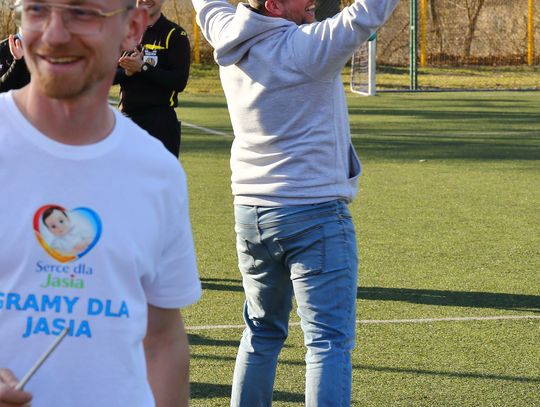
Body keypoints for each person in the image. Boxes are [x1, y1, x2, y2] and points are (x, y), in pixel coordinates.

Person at [192, 0, 399, 405]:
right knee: (327, 341)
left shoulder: (225, 33)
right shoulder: (306, 47)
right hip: (313, 213)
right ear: (274, 6)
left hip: (251, 215)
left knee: (261, 331)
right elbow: (367, 12)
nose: (312, 1)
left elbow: (206, 4)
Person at [0, 1, 201, 406]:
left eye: (82, 13)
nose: (55, 34)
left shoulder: (157, 170)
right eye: (37, 10)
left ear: (133, 28)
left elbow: (162, 340)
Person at [114, 0, 191, 157]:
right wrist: (127, 72)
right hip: (127, 121)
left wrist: (143, 67)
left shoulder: (175, 34)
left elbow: (179, 81)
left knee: (160, 174)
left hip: (160, 123)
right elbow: (103, 76)